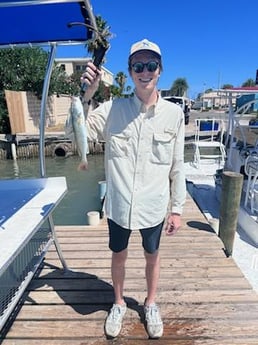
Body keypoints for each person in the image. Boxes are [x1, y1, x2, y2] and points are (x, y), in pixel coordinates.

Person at [80, 38, 186, 339]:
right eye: (138, 65)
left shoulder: (174, 115)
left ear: (160, 70)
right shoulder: (112, 109)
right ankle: (117, 302)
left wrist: (177, 209)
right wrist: (86, 96)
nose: (145, 71)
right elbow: (78, 133)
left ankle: (151, 303)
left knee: (152, 255)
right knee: (119, 255)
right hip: (119, 203)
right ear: (130, 70)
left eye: (151, 65)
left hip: (154, 204)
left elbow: (178, 165)